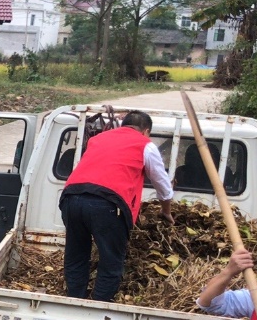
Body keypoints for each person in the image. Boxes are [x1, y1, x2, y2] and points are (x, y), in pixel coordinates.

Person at [60, 110, 175, 301]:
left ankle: (74, 301)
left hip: (71, 198)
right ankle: (97, 309)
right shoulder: (145, 145)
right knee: (111, 261)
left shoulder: (99, 139)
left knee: (76, 255)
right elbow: (162, 185)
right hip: (108, 204)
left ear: (124, 126)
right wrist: (166, 211)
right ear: (146, 131)